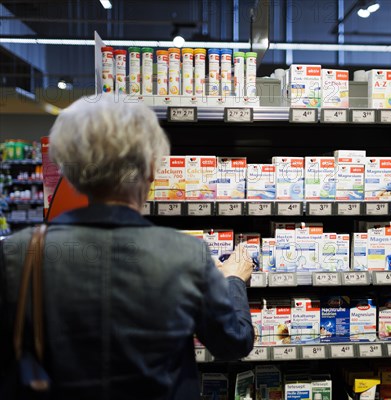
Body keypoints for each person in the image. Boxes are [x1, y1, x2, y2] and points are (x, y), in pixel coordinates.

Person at [0, 98, 255, 400]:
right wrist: (234, 281)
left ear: (68, 171)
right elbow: (233, 343)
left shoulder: (18, 254)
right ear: (150, 168)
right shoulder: (185, 255)